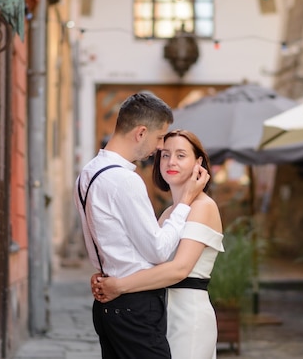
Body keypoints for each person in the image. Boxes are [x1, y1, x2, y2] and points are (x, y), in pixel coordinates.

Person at [74, 92, 210, 359]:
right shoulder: (125, 180)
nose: (160, 147)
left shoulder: (88, 173)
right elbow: (158, 251)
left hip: (108, 304)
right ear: (141, 132)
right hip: (135, 308)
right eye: (160, 137)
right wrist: (184, 203)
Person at [93, 129, 224, 359]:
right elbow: (146, 263)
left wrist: (120, 285)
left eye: (181, 155)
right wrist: (107, 276)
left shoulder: (204, 207)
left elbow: (179, 268)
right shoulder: (167, 215)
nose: (171, 161)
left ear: (198, 162)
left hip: (188, 315)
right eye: (165, 155)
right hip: (160, 312)